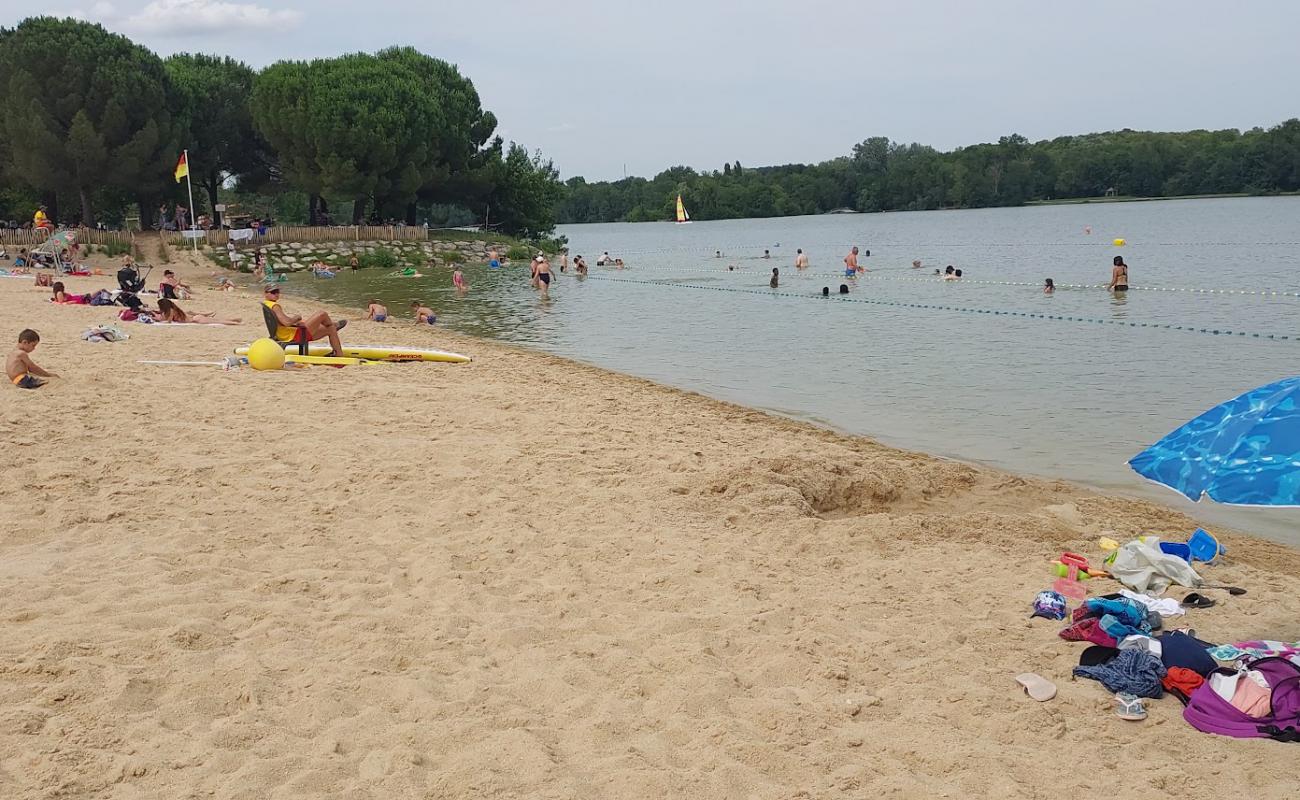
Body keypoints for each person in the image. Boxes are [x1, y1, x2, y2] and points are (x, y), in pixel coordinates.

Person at [263, 285, 345, 354]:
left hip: (286, 334)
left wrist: (295, 323)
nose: (276, 294)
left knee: (331, 329)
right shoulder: (275, 306)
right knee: (322, 314)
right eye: (273, 292)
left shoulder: (267, 304)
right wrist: (296, 317)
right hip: (294, 336)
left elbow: (282, 322)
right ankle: (334, 325)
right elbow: (286, 322)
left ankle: (338, 355)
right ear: (266, 294)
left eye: (277, 292)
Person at [154, 297, 241, 325]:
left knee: (219, 321)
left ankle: (235, 322)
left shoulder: (171, 310)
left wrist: (159, 322)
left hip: (196, 319)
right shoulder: (173, 308)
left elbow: (168, 321)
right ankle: (233, 320)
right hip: (196, 318)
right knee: (217, 320)